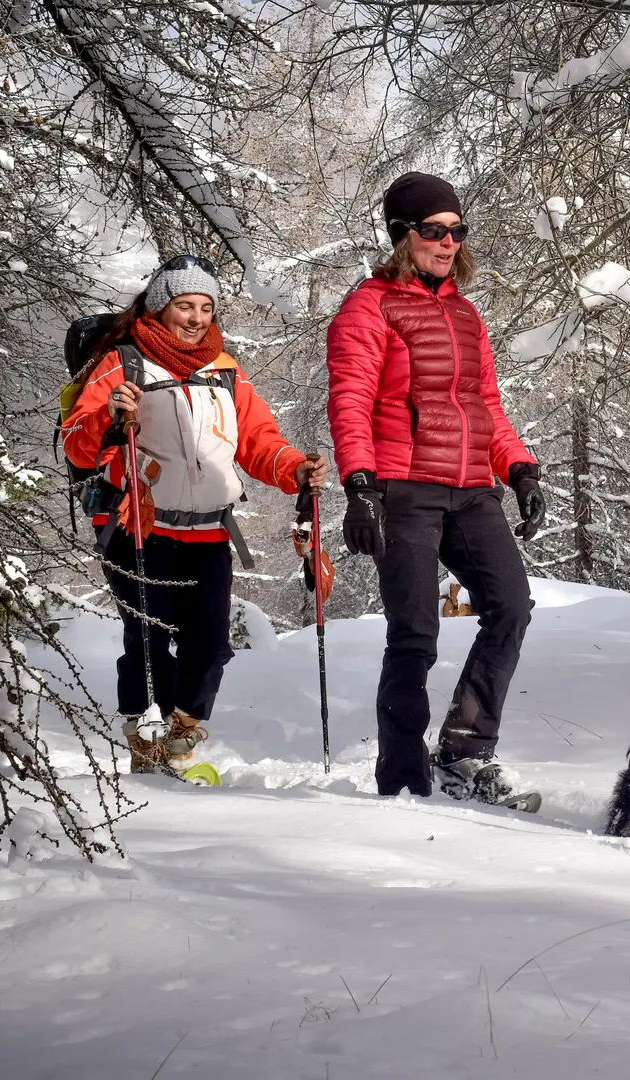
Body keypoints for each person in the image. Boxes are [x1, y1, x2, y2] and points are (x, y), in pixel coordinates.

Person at [325, 172, 547, 803]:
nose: (448, 242)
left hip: (473, 486)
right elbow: (351, 400)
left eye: (456, 230)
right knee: (416, 634)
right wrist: (360, 485)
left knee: (510, 606)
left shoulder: (464, 313)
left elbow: (485, 405)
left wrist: (520, 467)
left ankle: (464, 754)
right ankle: (402, 783)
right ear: (402, 235)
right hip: (403, 488)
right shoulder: (368, 306)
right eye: (433, 230)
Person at [62, 254, 325, 771]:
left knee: (208, 645)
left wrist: (294, 468)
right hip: (136, 526)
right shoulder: (122, 363)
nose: (196, 317)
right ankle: (147, 742)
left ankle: (181, 735)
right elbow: (76, 443)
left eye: (206, 306)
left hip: (208, 529)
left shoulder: (226, 371)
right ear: (160, 307)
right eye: (185, 305)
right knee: (149, 638)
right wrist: (109, 420)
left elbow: (256, 440)